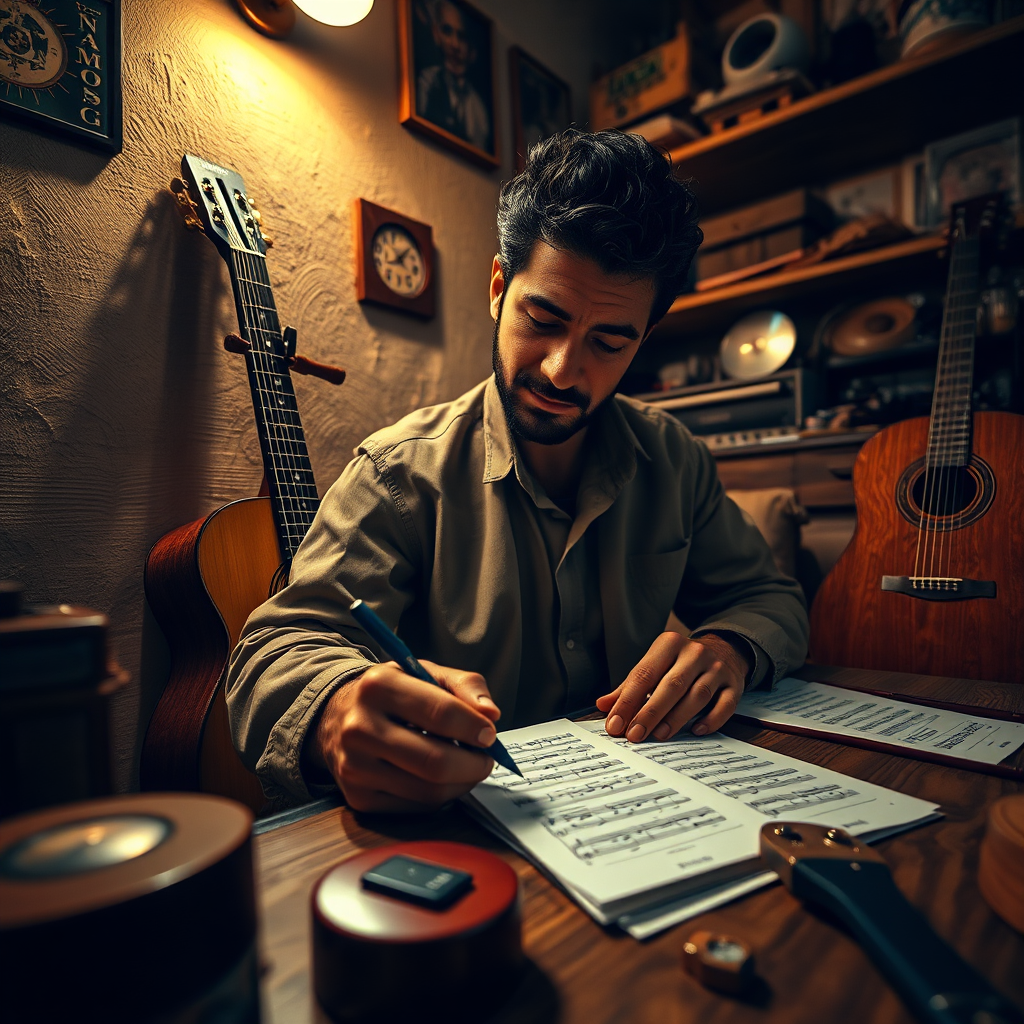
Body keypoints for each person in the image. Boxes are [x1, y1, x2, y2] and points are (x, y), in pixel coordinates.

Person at [226, 130, 809, 811]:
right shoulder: (397, 472)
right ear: (499, 288)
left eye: (609, 341)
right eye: (543, 318)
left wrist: (729, 647)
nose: (564, 369)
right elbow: (277, 650)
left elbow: (774, 600)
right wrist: (335, 711)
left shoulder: (674, 459)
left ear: (644, 340)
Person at [416, 0, 491, 153]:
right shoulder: (427, 81)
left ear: (472, 50)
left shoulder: (478, 107)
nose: (455, 45)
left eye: (462, 36)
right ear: (436, 34)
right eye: (447, 31)